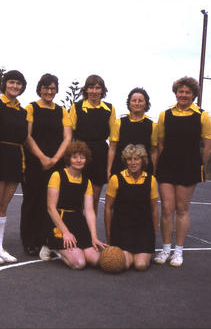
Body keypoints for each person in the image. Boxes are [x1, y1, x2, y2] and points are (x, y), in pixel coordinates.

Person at [155, 76, 211, 267]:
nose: (183, 95)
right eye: (180, 91)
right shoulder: (165, 115)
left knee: (182, 209)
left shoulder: (202, 115)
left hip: (189, 167)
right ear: (176, 93)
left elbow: (208, 146)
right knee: (166, 208)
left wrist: (199, 165)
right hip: (167, 166)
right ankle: (165, 249)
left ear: (194, 95)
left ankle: (178, 252)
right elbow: (161, 143)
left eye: (187, 92)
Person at [20, 73, 72, 257]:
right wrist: (42, 158)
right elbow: (27, 136)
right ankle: (29, 241)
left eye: (52, 88)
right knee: (32, 202)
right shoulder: (31, 108)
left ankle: (46, 240)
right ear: (40, 89)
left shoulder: (62, 111)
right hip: (35, 163)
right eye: (46, 88)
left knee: (51, 203)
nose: (49, 91)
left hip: (55, 164)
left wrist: (55, 159)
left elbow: (67, 138)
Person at [47, 140, 107, 269]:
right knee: (79, 263)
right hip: (59, 222)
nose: (79, 160)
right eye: (75, 157)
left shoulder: (87, 182)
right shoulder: (57, 175)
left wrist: (94, 237)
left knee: (96, 260)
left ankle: (76, 249)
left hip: (78, 222)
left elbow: (90, 211)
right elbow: (51, 208)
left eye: (82, 157)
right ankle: (53, 247)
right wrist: (66, 233)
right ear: (69, 159)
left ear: (86, 160)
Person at [104, 144, 158, 271]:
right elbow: (107, 208)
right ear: (125, 161)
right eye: (129, 159)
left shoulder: (151, 180)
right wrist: (109, 236)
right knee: (124, 264)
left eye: (136, 159)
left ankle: (142, 255)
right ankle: (130, 254)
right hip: (122, 230)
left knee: (140, 265)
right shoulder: (115, 179)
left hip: (143, 231)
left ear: (143, 161)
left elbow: (155, 209)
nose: (133, 162)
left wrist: (153, 235)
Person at [70, 74, 116, 214]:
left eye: (98, 88)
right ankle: (75, 230)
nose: (94, 91)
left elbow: (114, 140)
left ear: (102, 90)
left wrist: (109, 168)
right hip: (79, 155)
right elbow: (69, 135)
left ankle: (91, 234)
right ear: (86, 89)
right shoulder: (76, 107)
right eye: (91, 87)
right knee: (76, 197)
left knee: (94, 199)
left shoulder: (109, 109)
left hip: (100, 155)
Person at [0, 70, 28, 263]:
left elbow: (24, 138)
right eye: (12, 82)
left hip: (15, 157)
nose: (15, 86)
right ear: (5, 84)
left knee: (4, 205)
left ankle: (0, 247)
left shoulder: (22, 111)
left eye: (18, 83)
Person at [107, 87, 158, 178]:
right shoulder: (118, 123)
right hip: (120, 169)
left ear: (146, 104)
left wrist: (154, 172)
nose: (137, 103)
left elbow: (153, 151)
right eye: (134, 100)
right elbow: (112, 148)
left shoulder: (153, 125)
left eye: (140, 101)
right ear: (129, 104)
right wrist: (108, 170)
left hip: (144, 171)